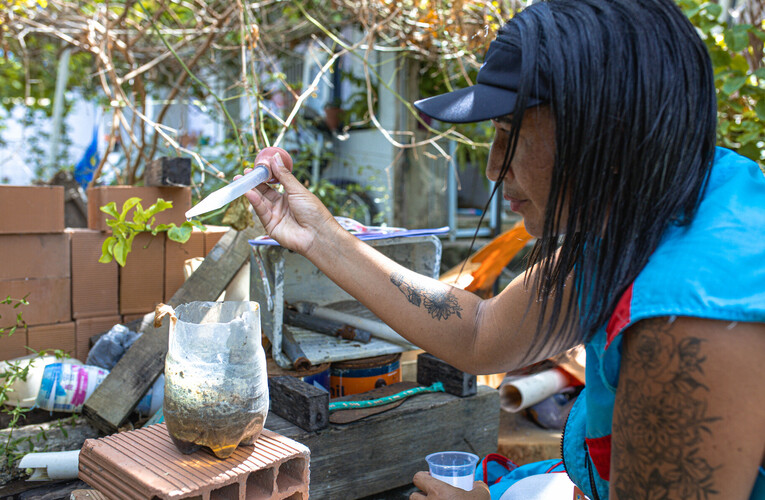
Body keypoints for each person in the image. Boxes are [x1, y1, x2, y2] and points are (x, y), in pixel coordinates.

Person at [241, 0, 765, 498]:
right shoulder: (642, 209)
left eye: (510, 134)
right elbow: (480, 331)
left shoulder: (689, 317)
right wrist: (320, 237)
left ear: (604, 131)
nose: (494, 167)